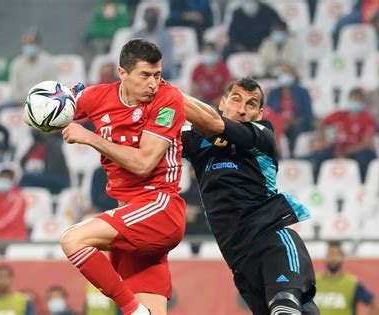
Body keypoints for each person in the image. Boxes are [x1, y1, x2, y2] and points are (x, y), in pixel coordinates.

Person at [59, 39, 186, 315]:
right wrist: (43, 105)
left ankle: (131, 309)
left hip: (159, 209)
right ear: (123, 73)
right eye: (145, 75)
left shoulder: (168, 99)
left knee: (72, 240)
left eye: (158, 75)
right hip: (130, 215)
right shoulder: (98, 97)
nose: (153, 83)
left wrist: (90, 138)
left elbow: (142, 164)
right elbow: (55, 112)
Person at [180, 77, 319, 314]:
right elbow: (153, 141)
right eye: (236, 100)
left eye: (251, 104)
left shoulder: (263, 134)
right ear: (222, 103)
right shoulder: (197, 140)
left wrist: (164, 91)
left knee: (284, 309)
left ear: (259, 112)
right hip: (240, 261)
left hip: (271, 242)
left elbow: (215, 122)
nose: (242, 109)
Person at [308, 87, 377, 181]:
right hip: (339, 148)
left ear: (362, 103)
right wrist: (324, 140)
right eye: (353, 99)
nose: (355, 102)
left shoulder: (367, 118)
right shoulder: (340, 114)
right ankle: (317, 182)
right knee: (321, 157)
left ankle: (362, 183)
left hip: (357, 150)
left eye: (358, 100)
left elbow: (367, 143)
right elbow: (321, 123)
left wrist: (348, 151)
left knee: (364, 158)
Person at [315, 241, 379, 314]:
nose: (333, 258)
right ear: (325, 257)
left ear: (342, 257)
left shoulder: (352, 284)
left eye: (336, 255)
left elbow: (377, 306)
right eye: (330, 254)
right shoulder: (314, 282)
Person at [266, 64, 314, 154]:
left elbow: (308, 114)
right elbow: (268, 112)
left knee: (293, 131)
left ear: (293, 76)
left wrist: (290, 122)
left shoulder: (302, 92)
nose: (285, 75)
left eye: (288, 73)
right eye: (283, 72)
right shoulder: (273, 93)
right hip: (278, 123)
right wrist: (279, 123)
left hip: (296, 124)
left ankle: (292, 156)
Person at [6, 28, 56, 111]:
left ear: (39, 45)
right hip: (21, 103)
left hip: (44, 103)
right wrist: (23, 101)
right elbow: (14, 89)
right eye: (26, 43)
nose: (29, 46)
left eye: (32, 43)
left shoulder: (49, 62)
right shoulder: (16, 64)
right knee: (2, 109)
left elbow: (54, 88)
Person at [19, 130, 70, 194]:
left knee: (26, 178)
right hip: (40, 177)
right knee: (25, 179)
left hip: (58, 179)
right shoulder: (33, 146)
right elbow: (22, 162)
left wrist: (35, 174)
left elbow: (52, 169)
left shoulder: (53, 145)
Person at [133, 7, 175, 79]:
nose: (151, 19)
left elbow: (167, 60)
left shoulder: (166, 35)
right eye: (149, 17)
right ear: (144, 18)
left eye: (153, 17)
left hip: (162, 72)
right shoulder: (137, 35)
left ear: (157, 19)